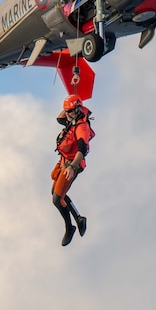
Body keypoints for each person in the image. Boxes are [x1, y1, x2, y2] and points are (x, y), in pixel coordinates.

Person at [51, 94, 95, 246]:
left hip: (72, 164)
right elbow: (59, 118)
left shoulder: (81, 127)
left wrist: (72, 166)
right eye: (66, 111)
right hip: (64, 162)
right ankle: (78, 218)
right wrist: (70, 101)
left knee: (57, 199)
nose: (67, 114)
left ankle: (70, 227)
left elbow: (82, 148)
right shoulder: (72, 120)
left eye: (70, 111)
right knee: (55, 192)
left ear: (77, 110)